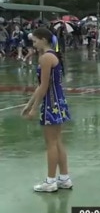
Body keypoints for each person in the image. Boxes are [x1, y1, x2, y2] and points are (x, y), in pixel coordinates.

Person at [22, 28, 72, 192]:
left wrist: (34, 108)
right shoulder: (53, 56)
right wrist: (28, 105)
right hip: (59, 102)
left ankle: (50, 181)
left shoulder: (45, 58)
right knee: (57, 141)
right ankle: (64, 178)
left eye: (35, 41)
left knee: (50, 143)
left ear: (43, 40)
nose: (33, 44)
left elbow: (43, 86)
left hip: (51, 103)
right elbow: (42, 86)